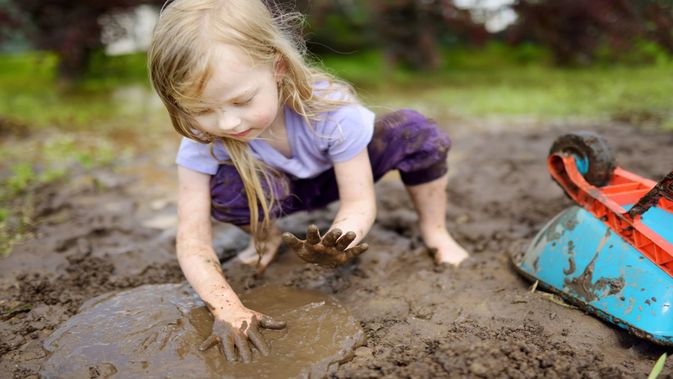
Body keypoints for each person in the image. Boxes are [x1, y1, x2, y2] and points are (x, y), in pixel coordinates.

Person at [148, 0, 469, 363]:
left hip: (340, 174)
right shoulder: (202, 142)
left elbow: (359, 203)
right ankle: (264, 239)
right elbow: (191, 238)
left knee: (417, 133)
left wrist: (341, 238)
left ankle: (436, 231)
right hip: (275, 191)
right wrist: (227, 308)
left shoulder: (330, 110)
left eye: (242, 100)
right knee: (220, 186)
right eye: (203, 110)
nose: (228, 124)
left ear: (278, 67)